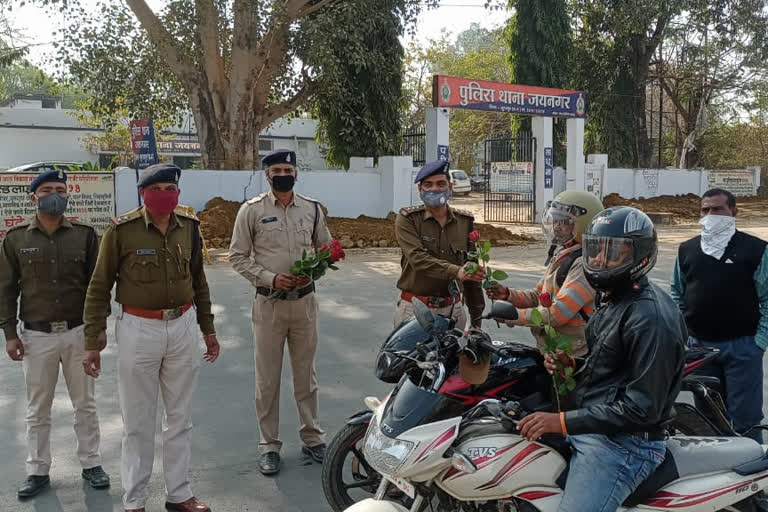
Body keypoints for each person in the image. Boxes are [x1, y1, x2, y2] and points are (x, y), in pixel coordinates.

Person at [517, 206, 687, 511]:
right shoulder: (613, 299)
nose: (598, 260)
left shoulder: (650, 317)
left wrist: (561, 422)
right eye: (595, 249)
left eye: (614, 252)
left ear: (640, 255)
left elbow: (640, 409)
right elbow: (613, 369)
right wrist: (574, 365)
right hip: (595, 426)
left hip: (624, 445)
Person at [82, 163, 219, 512]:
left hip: (183, 325)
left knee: (180, 418)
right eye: (156, 189)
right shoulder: (122, 231)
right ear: (143, 193)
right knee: (138, 422)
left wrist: (208, 329)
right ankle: (135, 500)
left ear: (178, 192)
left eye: (170, 189)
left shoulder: (189, 228)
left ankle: (179, 493)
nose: (164, 195)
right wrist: (91, 338)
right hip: (139, 329)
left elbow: (199, 281)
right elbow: (99, 285)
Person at [0, 169, 110, 498]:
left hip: (78, 332)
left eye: (60, 189)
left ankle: (91, 464)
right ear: (33, 196)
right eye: (47, 189)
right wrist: (9, 333)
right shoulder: (16, 238)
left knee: (85, 404)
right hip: (36, 336)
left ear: (68, 194)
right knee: (38, 408)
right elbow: (5, 290)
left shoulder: (86, 235)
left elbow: (97, 286)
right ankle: (37, 470)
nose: (54, 194)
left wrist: (98, 327)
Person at [229, 149, 332, 476]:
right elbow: (237, 256)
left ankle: (312, 437)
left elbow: (327, 249)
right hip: (269, 304)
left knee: (306, 375)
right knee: (268, 379)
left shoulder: (313, 210)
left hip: (304, 304)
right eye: (277, 169)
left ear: (296, 173)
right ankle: (269, 445)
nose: (283, 173)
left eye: (288, 168)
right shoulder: (251, 211)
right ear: (267, 174)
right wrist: (270, 278)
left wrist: (313, 271)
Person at [671, 188, 768, 442]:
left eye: (717, 209)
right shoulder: (687, 250)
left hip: (743, 348)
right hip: (700, 349)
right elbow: (676, 294)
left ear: (733, 212)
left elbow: (767, 299)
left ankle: (752, 474)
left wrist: (759, 343)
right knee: (707, 418)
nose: (710, 215)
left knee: (746, 420)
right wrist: (684, 335)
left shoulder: (756, 250)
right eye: (705, 210)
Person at [487, 190, 603, 358]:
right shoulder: (564, 254)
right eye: (556, 220)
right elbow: (539, 296)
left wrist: (514, 316)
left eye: (565, 222)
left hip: (574, 357)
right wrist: (509, 295)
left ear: (583, 224)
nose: (557, 226)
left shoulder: (584, 264)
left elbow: (557, 314)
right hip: (552, 352)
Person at [394, 160, 485, 329]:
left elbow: (472, 273)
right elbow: (417, 259)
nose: (434, 189)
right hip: (415, 310)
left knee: (455, 356)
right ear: (420, 189)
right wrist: (456, 271)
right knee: (412, 356)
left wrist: (476, 321)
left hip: (454, 311)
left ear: (450, 187)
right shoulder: (408, 219)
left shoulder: (465, 222)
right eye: (428, 184)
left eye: (440, 183)